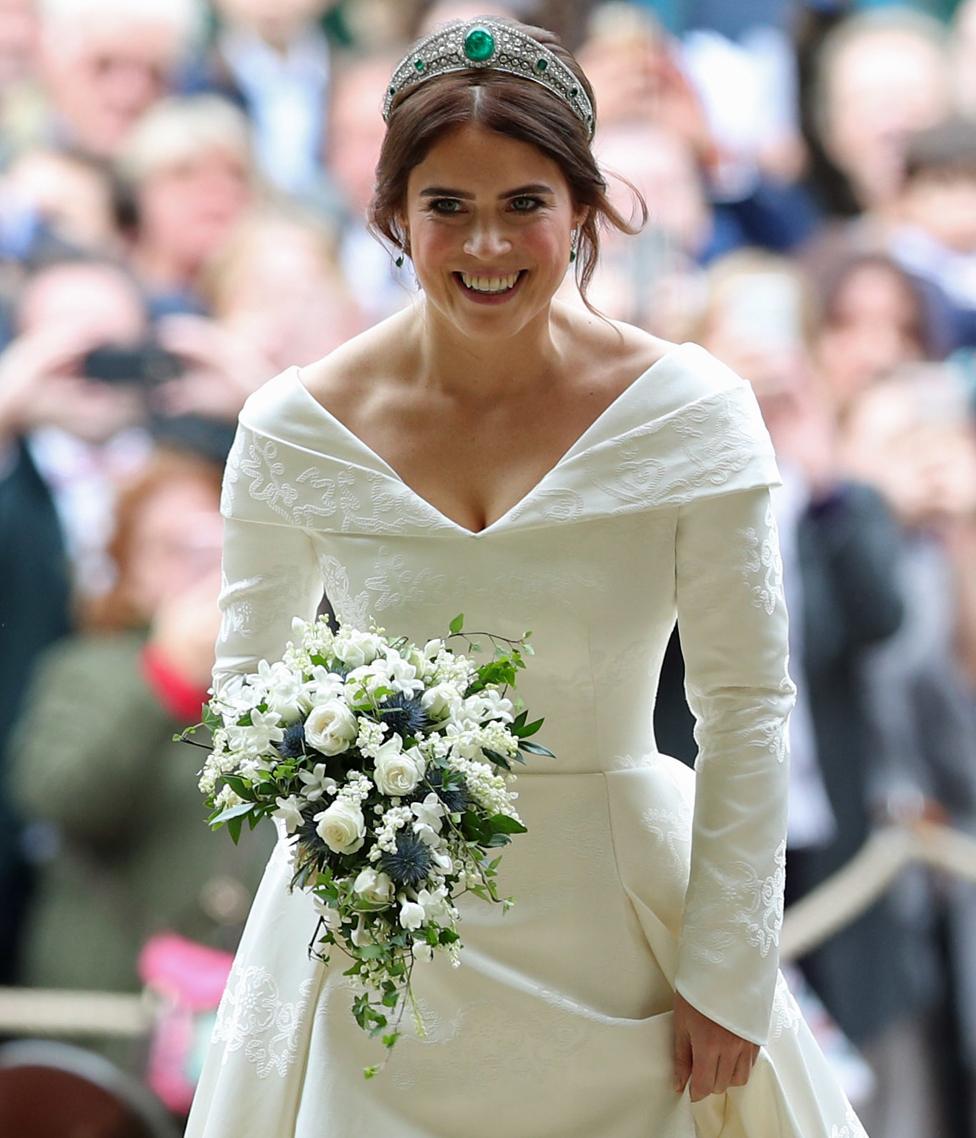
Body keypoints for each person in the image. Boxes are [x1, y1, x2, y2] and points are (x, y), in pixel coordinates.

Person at [185, 17, 868, 1136]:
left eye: (524, 206)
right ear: (393, 216)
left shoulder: (693, 415)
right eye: (448, 205)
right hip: (376, 950)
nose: (486, 246)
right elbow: (245, 705)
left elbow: (744, 703)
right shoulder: (292, 428)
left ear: (583, 211)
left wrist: (729, 968)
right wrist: (357, 848)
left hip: (630, 942)